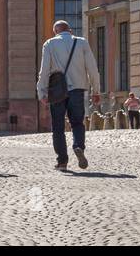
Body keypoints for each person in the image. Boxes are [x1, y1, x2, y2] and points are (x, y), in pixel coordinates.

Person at [38, 20, 101, 171]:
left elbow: (44, 70)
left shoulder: (49, 44)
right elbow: (92, 68)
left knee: (58, 127)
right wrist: (96, 91)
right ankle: (78, 146)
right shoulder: (82, 42)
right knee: (78, 123)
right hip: (77, 90)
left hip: (57, 91)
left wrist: (42, 92)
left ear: (55, 32)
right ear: (70, 31)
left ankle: (62, 162)